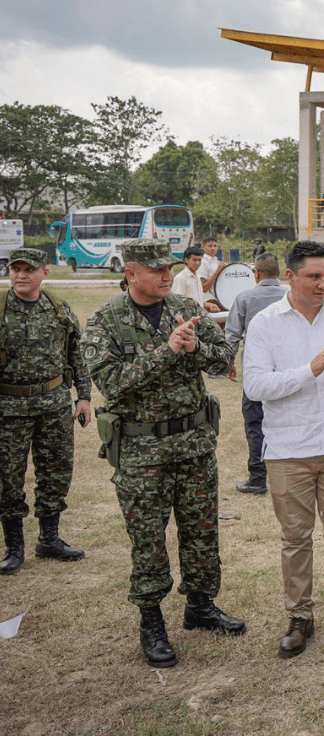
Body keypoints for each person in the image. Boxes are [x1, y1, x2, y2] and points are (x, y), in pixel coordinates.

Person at [82, 239, 243, 669]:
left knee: (201, 530)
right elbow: (112, 383)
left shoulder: (185, 308)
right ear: (131, 274)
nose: (167, 276)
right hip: (141, 451)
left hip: (193, 444)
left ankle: (201, 606)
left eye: (169, 268)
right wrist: (166, 351)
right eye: (155, 270)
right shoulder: (105, 321)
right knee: (148, 541)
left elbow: (225, 359)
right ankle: (152, 621)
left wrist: (195, 349)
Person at [242, 241, 324, 658]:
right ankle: (299, 616)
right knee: (296, 538)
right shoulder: (266, 323)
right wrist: (311, 370)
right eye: (314, 276)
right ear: (291, 277)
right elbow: (256, 386)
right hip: (288, 449)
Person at [1, 247, 92, 576]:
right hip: (8, 408)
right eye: (16, 269)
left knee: (55, 473)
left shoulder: (58, 308)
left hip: (54, 404)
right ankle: (14, 547)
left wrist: (84, 396)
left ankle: (49, 539)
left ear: (44, 273)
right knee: (7, 479)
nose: (21, 275)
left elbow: (76, 354)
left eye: (29, 269)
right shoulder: (0, 308)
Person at [224, 253, 290, 495]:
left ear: (257, 274)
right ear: (279, 273)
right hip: (289, 371)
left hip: (256, 373)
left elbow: (231, 335)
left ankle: (258, 477)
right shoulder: (290, 295)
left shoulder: (244, 298)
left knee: (255, 423)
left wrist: (228, 363)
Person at [197, 236, 225, 311]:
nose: (213, 248)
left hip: (220, 297)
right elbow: (204, 288)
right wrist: (217, 272)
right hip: (210, 300)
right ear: (203, 248)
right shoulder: (203, 263)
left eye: (215, 246)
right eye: (210, 246)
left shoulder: (217, 262)